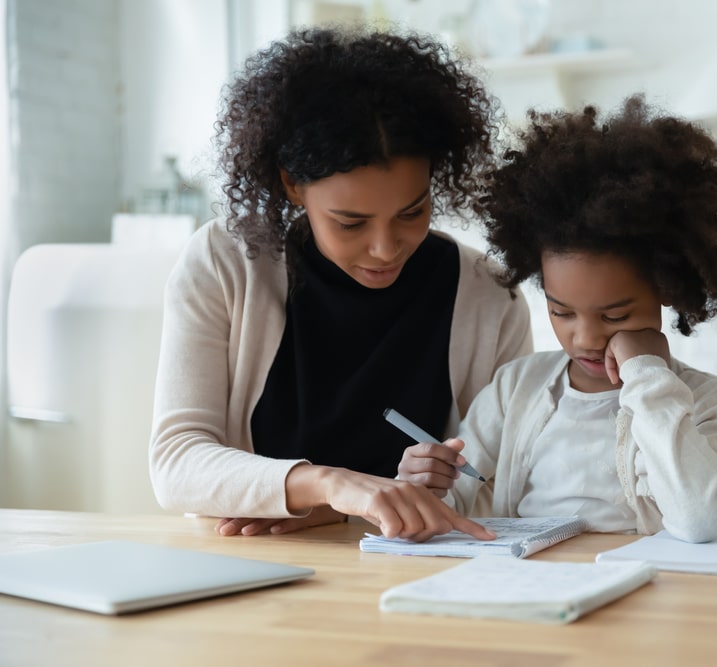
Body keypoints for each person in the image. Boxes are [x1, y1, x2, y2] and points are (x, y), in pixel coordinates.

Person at [148, 26, 532, 541]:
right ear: (291, 184)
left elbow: (499, 484)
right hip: (255, 568)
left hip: (416, 571)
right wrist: (331, 486)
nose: (385, 247)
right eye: (350, 223)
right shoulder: (225, 262)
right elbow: (177, 462)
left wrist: (345, 508)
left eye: (412, 212)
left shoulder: (488, 295)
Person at [398, 95, 717, 543]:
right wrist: (425, 487)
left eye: (616, 314)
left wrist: (647, 377)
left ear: (668, 288)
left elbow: (700, 521)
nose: (586, 337)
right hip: (532, 589)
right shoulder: (516, 389)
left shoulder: (709, 402)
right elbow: (454, 502)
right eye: (561, 311)